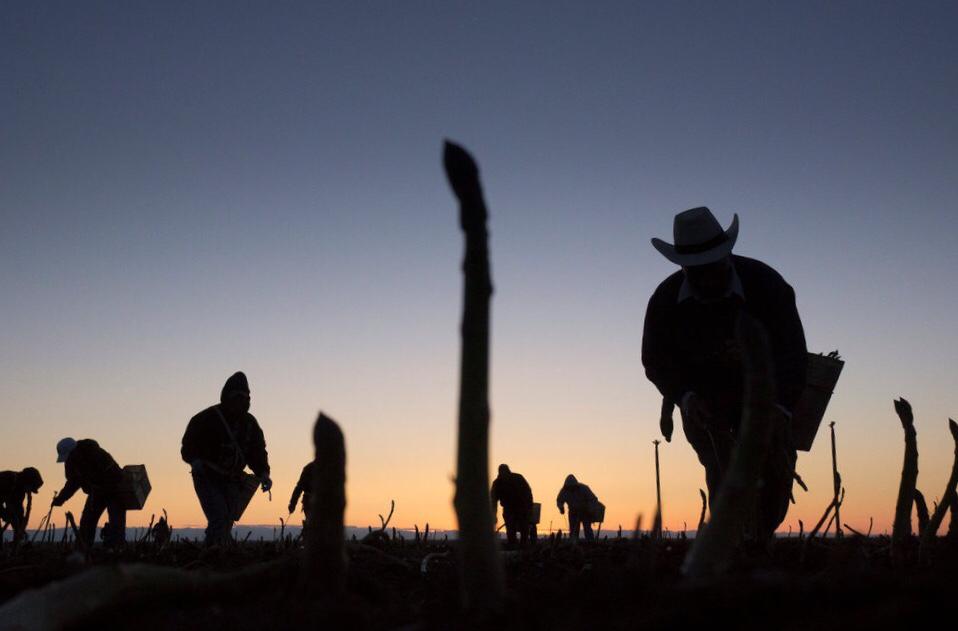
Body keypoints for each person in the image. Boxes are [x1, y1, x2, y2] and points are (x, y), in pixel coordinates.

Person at [642, 207, 807, 541]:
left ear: (726, 256)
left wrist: (780, 410)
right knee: (721, 471)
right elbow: (655, 359)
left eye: (712, 267)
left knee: (774, 470)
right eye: (696, 271)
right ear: (683, 266)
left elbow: (793, 353)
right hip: (705, 403)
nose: (706, 278)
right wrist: (685, 397)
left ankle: (759, 537)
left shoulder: (768, 285)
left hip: (768, 395)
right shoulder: (665, 300)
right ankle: (732, 546)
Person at [181, 371, 272, 545]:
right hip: (208, 476)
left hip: (232, 480)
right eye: (238, 396)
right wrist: (195, 461)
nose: (242, 400)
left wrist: (264, 473)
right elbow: (188, 446)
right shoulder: (206, 418)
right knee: (219, 518)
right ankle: (214, 558)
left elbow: (257, 452)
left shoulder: (250, 424)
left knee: (226, 521)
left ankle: (216, 555)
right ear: (228, 396)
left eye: (245, 397)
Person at [52, 437, 127, 547]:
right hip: (96, 492)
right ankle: (84, 548)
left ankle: (116, 550)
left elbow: (112, 476)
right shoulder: (71, 462)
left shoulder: (95, 454)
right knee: (87, 522)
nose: (68, 459)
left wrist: (97, 485)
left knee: (116, 522)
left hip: (115, 490)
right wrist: (60, 499)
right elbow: (72, 483)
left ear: (74, 451)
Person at [490, 464, 534, 546]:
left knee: (524, 526)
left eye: (505, 472)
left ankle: (523, 544)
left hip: (522, 506)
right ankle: (512, 544)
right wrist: (493, 515)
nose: (504, 474)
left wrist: (529, 506)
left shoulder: (518, 478)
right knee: (510, 527)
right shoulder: (497, 483)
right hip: (508, 508)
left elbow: (528, 492)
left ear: (508, 471)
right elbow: (493, 501)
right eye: (502, 472)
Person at [0, 467, 44, 543]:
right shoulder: (8, 479)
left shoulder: (20, 490)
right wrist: (4, 514)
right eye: (30, 488)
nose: (29, 492)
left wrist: (21, 529)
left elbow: (18, 510)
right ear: (27, 481)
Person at [556, 474, 599, 541]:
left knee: (587, 528)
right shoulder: (564, 491)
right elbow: (559, 500)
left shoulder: (584, 488)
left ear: (576, 486)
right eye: (569, 488)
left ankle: (591, 543)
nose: (571, 489)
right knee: (573, 530)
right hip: (573, 512)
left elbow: (593, 499)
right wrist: (561, 507)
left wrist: (590, 510)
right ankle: (573, 544)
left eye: (572, 487)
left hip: (585, 511)